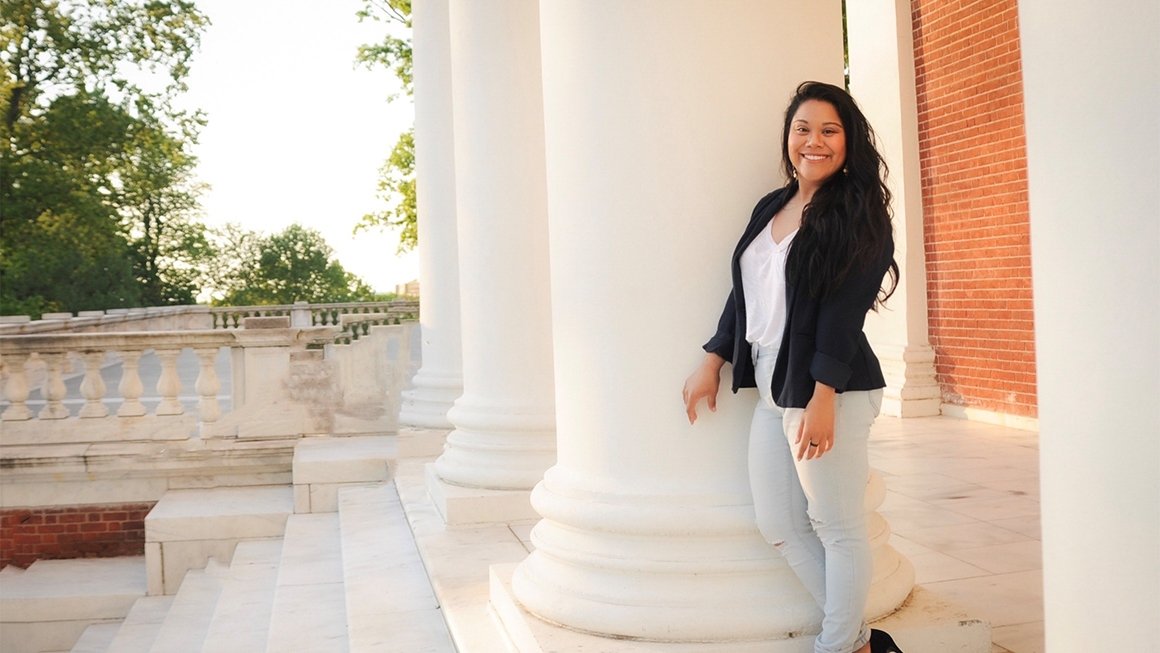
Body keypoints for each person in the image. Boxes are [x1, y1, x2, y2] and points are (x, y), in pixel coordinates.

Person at [682, 81, 904, 653]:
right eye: (803, 128)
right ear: (789, 137)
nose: (814, 141)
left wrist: (824, 395)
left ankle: (837, 647)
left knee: (837, 526)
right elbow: (746, 292)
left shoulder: (858, 213)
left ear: (848, 141)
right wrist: (715, 356)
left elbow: (844, 309)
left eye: (830, 130)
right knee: (779, 524)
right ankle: (855, 641)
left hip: (832, 387)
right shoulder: (772, 205)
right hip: (774, 383)